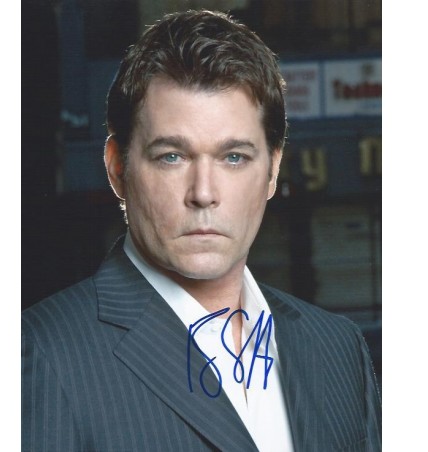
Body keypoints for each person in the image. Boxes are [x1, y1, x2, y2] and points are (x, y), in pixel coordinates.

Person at [22, 9, 381, 452]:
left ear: (272, 170)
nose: (204, 194)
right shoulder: (42, 354)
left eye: (234, 158)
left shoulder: (338, 348)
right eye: (172, 157)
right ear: (117, 168)